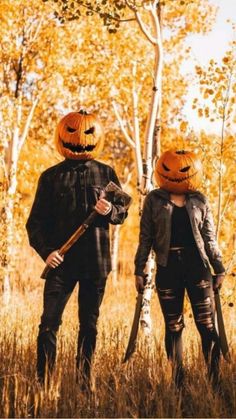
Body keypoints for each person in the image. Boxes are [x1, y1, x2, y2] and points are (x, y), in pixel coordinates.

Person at [26, 110, 129, 387]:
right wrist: (47, 251)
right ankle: (44, 383)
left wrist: (110, 210)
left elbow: (123, 211)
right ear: (62, 135)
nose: (79, 139)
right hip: (61, 264)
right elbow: (34, 224)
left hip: (95, 263)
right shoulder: (50, 177)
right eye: (72, 132)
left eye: (87, 133)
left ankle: (84, 383)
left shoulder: (105, 172)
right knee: (48, 324)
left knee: (89, 325)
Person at [134, 149, 225, 389]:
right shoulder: (154, 199)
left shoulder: (200, 200)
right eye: (168, 168)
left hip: (198, 268)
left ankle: (215, 381)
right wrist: (139, 268)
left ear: (192, 172)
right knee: (174, 325)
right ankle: (178, 383)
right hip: (168, 267)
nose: (175, 173)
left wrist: (219, 267)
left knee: (206, 324)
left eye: (183, 170)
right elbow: (145, 237)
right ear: (160, 169)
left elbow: (209, 237)